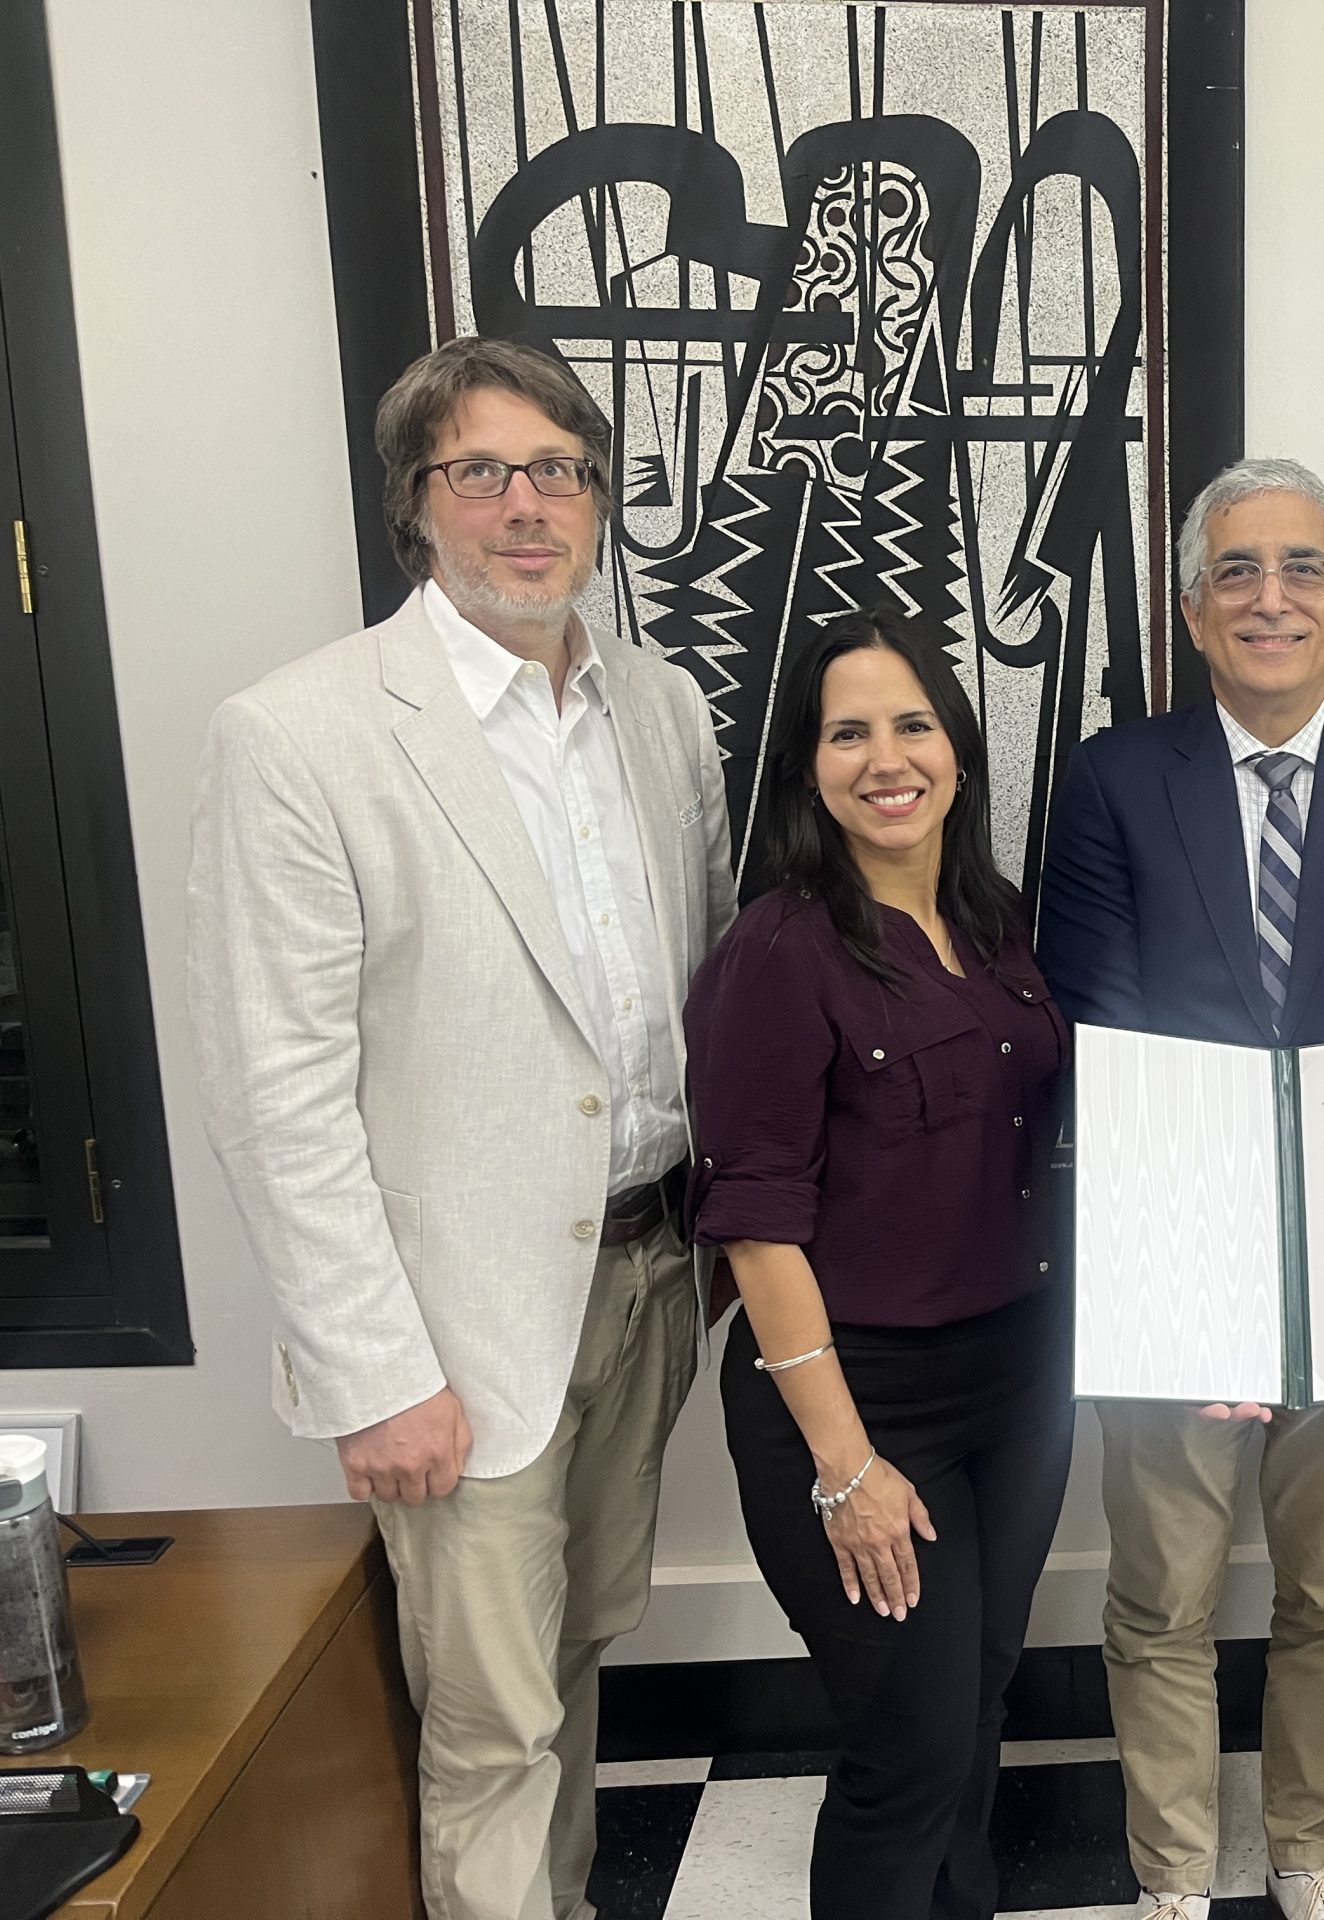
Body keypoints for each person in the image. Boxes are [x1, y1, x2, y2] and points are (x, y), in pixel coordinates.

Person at [189, 336, 736, 1920]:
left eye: (558, 470)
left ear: (599, 500)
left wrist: (704, 1247)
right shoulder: (300, 734)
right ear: (414, 506)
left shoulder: (659, 705)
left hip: (640, 1278)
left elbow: (693, 979)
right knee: (493, 1718)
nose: (525, 505)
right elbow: (270, 1088)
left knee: (573, 1654)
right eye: (478, 472)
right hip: (450, 1329)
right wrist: (374, 1372)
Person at [1038, 457, 1324, 1920]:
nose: (1270, 596)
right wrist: (1204, 1286)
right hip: (1180, 1248)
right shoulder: (1116, 777)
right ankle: (1173, 1867)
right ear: (1190, 609)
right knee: (1163, 1593)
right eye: (1236, 570)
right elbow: (1099, 1020)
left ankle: (1305, 1846)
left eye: (1300, 569)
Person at [685, 608, 1074, 1920]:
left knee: (974, 1702)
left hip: (1018, 1388)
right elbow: (754, 1222)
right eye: (847, 732)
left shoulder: (998, 921)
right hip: (856, 1403)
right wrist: (845, 1470)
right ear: (807, 768)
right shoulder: (780, 952)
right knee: (906, 1743)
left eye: (912, 723)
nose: (885, 755)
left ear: (960, 750)